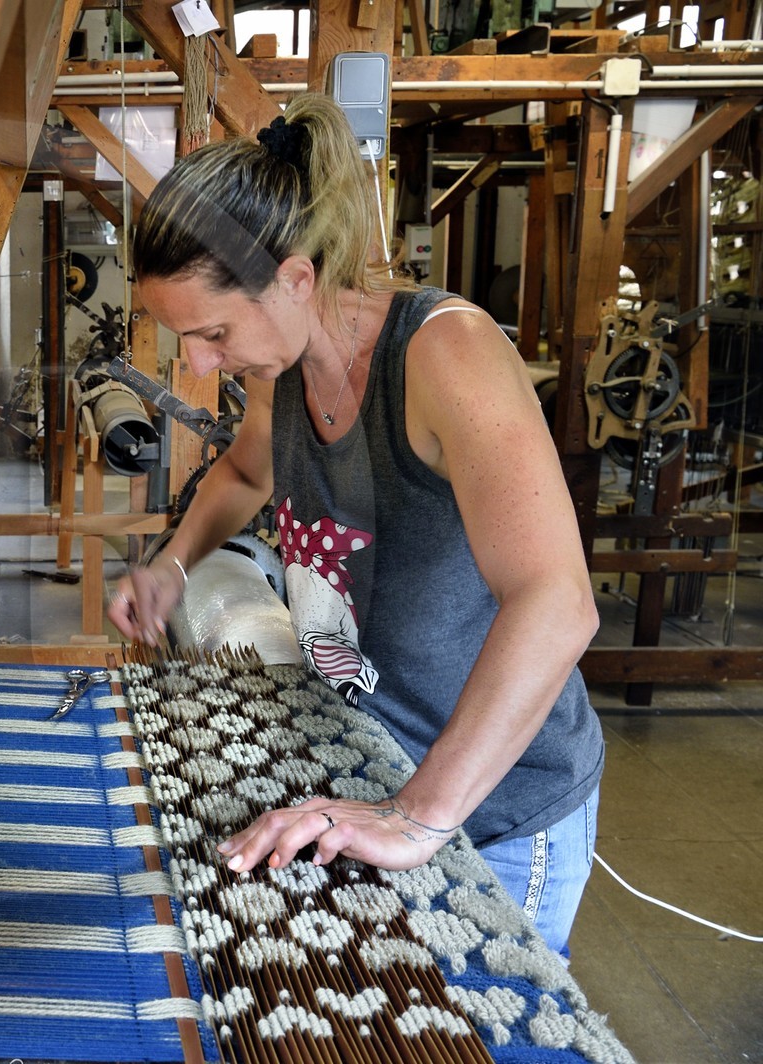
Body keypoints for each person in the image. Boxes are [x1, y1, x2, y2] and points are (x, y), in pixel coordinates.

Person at [106, 94, 604, 954]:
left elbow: (557, 603)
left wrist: (417, 816)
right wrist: (172, 568)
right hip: (374, 757)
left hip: (492, 803)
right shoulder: (283, 364)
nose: (199, 362)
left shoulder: (444, 355)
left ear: (295, 279)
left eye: (213, 332)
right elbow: (248, 471)